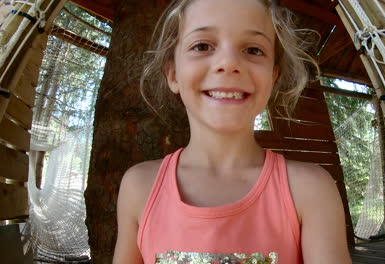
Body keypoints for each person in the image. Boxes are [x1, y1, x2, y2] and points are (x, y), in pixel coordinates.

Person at [113, 0, 352, 263]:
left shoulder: (310, 190)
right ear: (172, 74)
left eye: (253, 49)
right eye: (202, 46)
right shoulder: (139, 188)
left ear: (273, 76)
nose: (228, 63)